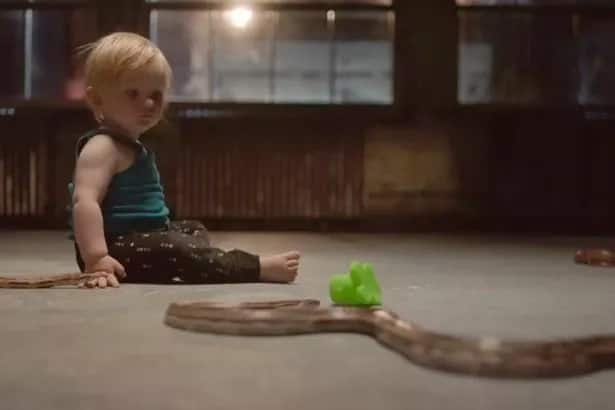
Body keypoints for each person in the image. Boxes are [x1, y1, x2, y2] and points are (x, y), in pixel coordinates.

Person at [68, 32, 300, 288]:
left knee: (192, 228)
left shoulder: (131, 146)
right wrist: (97, 257)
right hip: (115, 248)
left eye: (156, 95)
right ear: (97, 99)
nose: (148, 103)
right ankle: (253, 267)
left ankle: (198, 259)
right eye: (132, 93)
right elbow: (85, 202)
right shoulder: (102, 146)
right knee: (177, 247)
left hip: (147, 237)